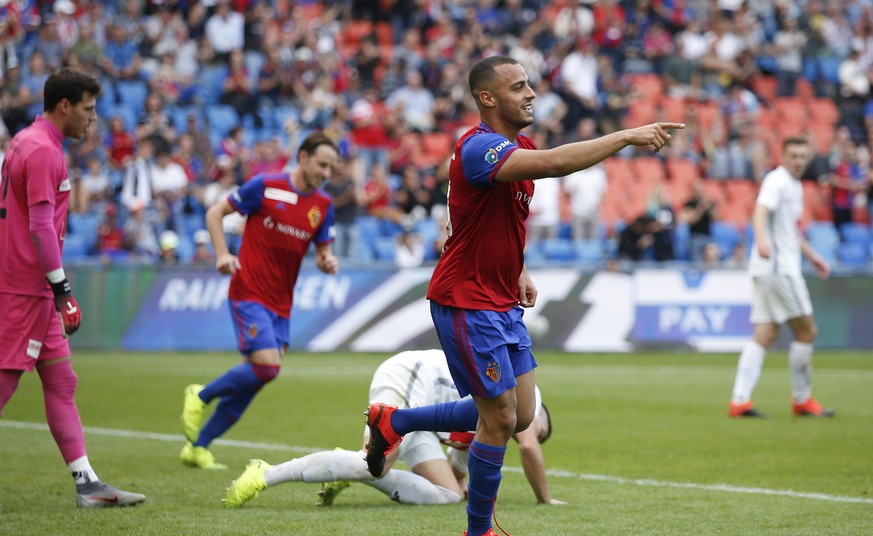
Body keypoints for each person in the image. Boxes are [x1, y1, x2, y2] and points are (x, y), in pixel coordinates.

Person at [363, 55, 683, 536]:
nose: (531, 93)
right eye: (518, 86)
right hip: (467, 301)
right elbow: (557, 164)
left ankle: (393, 422)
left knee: (519, 415)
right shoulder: (477, 148)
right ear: (488, 98)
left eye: (530, 84)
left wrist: (519, 269)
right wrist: (624, 137)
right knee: (499, 418)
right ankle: (477, 535)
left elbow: (495, 221)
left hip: (501, 300)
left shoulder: (516, 147)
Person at [0, 68, 146, 508]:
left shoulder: (26, 140)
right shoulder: (44, 151)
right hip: (26, 290)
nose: (93, 119)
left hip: (32, 290)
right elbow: (41, 225)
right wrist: (62, 290)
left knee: (62, 382)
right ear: (64, 107)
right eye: (88, 109)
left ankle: (87, 485)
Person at [180, 131, 340, 469]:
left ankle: (198, 446)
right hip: (248, 291)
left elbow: (324, 252)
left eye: (331, 168)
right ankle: (201, 394)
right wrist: (222, 254)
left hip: (281, 304)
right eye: (322, 165)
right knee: (267, 366)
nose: (326, 173)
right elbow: (214, 213)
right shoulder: (265, 185)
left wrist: (327, 262)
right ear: (303, 158)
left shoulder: (324, 206)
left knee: (255, 380)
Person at [222, 350, 563, 509]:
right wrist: (544, 499)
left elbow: (461, 458)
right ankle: (266, 474)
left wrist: (464, 485)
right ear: (540, 415)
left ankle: (351, 470)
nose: (532, 434)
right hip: (411, 375)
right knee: (379, 463)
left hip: (427, 413)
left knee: (446, 496)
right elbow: (530, 447)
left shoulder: (491, 421)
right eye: (539, 428)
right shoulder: (526, 396)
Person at [729, 136, 834, 419]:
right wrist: (762, 240)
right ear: (783, 156)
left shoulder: (794, 185)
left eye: (803, 156)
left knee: (764, 334)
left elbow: (791, 230)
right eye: (793, 156)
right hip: (778, 268)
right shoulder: (777, 181)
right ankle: (802, 399)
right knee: (806, 331)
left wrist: (812, 256)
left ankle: (739, 401)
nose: (798, 161)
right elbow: (760, 211)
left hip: (768, 269)